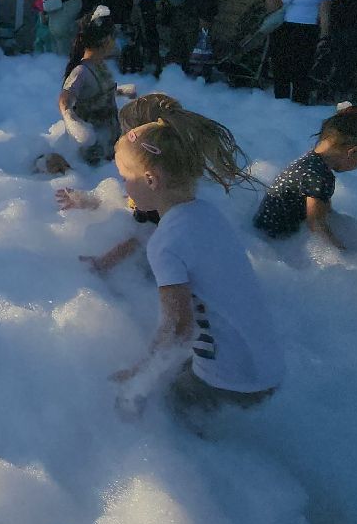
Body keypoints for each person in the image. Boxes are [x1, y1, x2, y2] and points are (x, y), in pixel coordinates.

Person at [109, 113, 285, 418]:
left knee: (165, 407)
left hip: (233, 378)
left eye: (125, 177)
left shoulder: (165, 242)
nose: (124, 187)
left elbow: (178, 328)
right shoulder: (208, 214)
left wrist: (138, 373)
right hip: (267, 362)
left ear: (150, 179)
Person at [57, 94, 254, 274]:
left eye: (127, 133)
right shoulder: (172, 177)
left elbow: (141, 238)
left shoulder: (162, 203)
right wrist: (93, 200)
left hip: (156, 268)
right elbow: (130, 204)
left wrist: (102, 263)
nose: (123, 137)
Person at [254, 104, 357, 252]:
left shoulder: (310, 160)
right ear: (352, 152)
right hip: (276, 239)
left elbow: (325, 210)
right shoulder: (318, 178)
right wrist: (344, 251)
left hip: (264, 228)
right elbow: (316, 224)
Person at [263, 0, 334, 103]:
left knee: (300, 74)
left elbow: (324, 13)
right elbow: (272, 8)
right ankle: (280, 106)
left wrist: (324, 37)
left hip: (306, 31)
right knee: (280, 71)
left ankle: (298, 107)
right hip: (283, 29)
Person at [59, 9, 128, 166]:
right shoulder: (81, 71)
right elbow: (65, 98)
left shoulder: (100, 65)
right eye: (113, 37)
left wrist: (121, 92)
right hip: (93, 151)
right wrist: (71, 120)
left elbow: (97, 92)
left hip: (110, 140)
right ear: (105, 40)